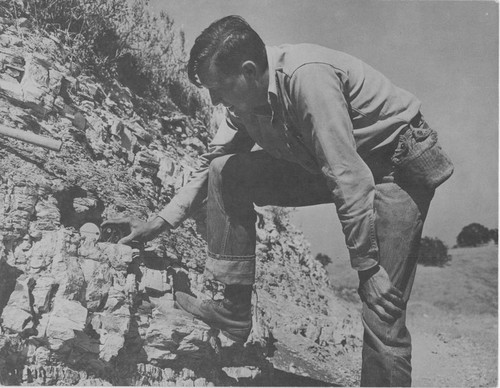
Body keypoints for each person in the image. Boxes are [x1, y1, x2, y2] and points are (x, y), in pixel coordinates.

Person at [103, 15, 453, 387]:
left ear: (249, 71)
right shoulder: (244, 100)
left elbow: (348, 177)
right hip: (328, 162)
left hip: (394, 166)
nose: (214, 100)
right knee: (227, 171)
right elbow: (211, 168)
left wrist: (367, 270)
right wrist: (158, 223)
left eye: (217, 88)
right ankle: (234, 310)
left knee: (383, 310)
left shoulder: (308, 79)